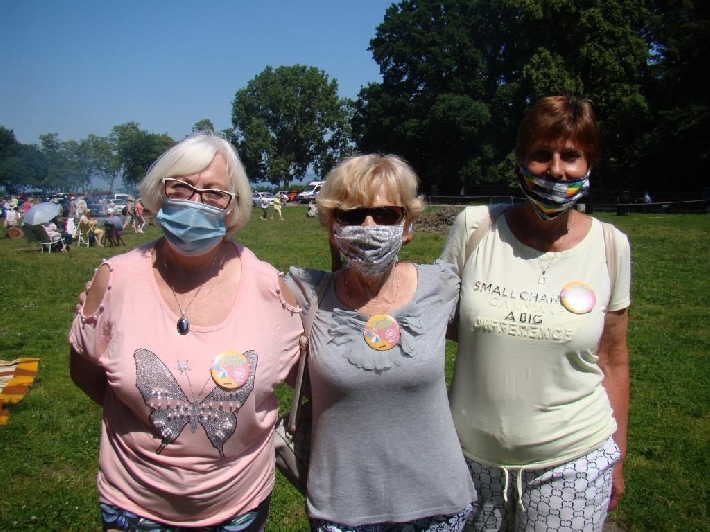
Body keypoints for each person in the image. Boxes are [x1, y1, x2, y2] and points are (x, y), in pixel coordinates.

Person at [68, 132, 302, 531]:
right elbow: (85, 372)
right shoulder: (115, 279)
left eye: (213, 192)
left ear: (233, 206)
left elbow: (299, 380)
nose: (195, 201)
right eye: (181, 186)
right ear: (159, 193)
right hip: (134, 505)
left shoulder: (270, 288)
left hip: (239, 506)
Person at [440, 95, 631, 531]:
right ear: (521, 160)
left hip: (574, 461)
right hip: (468, 459)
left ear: (589, 164)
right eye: (542, 154)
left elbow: (613, 359)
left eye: (571, 156)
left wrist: (617, 458)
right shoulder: (475, 228)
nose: (556, 170)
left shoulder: (610, 245)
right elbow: (434, 324)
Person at [284, 154, 477, 531]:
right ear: (332, 226)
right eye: (352, 215)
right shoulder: (304, 292)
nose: (369, 226)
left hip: (439, 505)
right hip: (342, 511)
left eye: (386, 214)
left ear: (407, 226)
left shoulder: (441, 286)